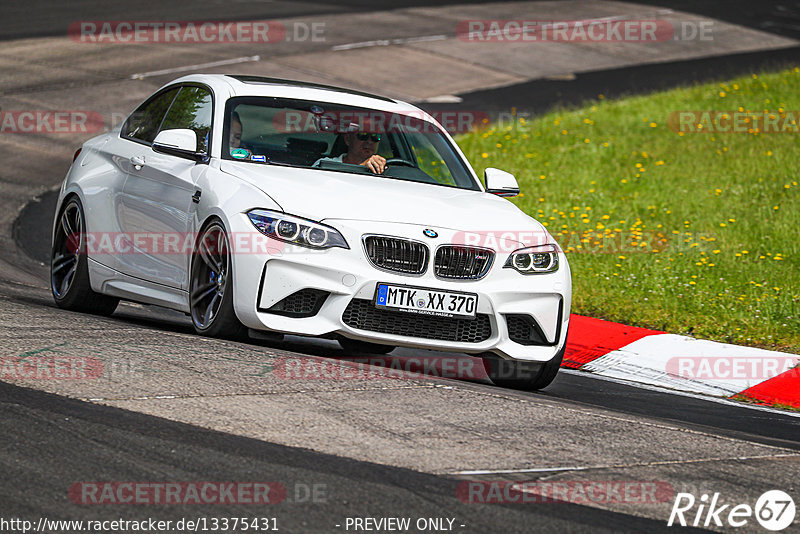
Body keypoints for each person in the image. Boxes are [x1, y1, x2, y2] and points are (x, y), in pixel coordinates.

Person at [314, 121, 386, 174]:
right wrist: (363, 166)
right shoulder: (324, 165)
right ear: (348, 139)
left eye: (375, 137)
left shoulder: (384, 171)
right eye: (363, 135)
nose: (369, 142)